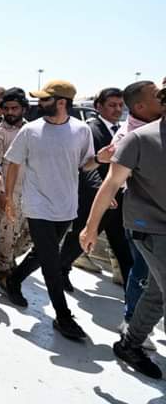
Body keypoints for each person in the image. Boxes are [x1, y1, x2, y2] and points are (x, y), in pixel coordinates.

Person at [3, 80, 111, 340]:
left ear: (61, 102)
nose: (38, 104)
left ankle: (14, 280)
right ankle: (63, 317)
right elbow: (13, 163)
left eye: (44, 100)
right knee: (51, 262)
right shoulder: (30, 131)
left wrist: (99, 159)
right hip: (37, 205)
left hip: (66, 206)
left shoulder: (81, 130)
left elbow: (85, 165)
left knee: (42, 254)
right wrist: (8, 198)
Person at [80, 87, 166, 379]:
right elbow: (109, 185)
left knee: (155, 294)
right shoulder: (138, 139)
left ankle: (130, 345)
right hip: (151, 229)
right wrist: (91, 228)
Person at [60, 88, 131, 294]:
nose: (118, 109)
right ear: (99, 107)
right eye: (112, 105)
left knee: (122, 247)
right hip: (95, 199)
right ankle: (61, 270)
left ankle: (132, 292)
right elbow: (85, 165)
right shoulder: (90, 130)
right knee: (78, 240)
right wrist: (102, 191)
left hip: (120, 199)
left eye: (120, 105)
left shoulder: (124, 130)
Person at [111, 81, 163, 350]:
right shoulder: (131, 136)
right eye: (158, 96)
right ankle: (131, 321)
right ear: (141, 106)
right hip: (144, 219)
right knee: (141, 271)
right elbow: (114, 181)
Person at [0, 88, 31, 288]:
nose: (11, 112)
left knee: (31, 235)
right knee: (7, 233)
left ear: (23, 109)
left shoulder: (33, 131)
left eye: (15, 108)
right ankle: (3, 269)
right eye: (7, 108)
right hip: (8, 192)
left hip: (31, 194)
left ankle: (7, 256)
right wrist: (1, 195)